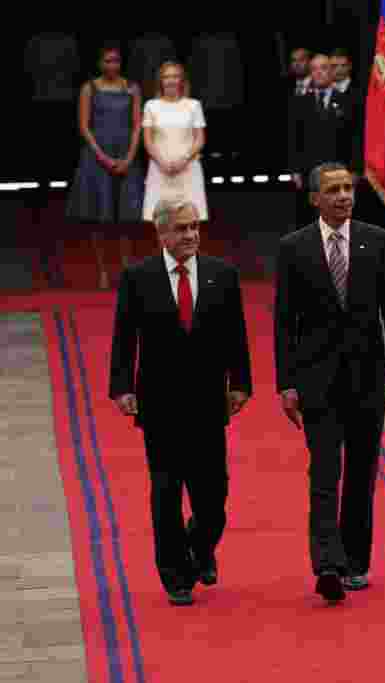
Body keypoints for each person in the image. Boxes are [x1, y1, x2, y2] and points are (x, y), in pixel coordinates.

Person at [273, 162, 385, 604]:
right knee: (325, 472)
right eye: (332, 190)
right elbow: (284, 323)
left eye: (348, 189)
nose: (343, 197)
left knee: (360, 475)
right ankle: (327, 563)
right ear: (314, 198)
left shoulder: (379, 241)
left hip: (368, 378)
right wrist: (286, 383)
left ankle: (356, 559)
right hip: (317, 381)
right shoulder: (294, 248)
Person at [108, 198, 253, 606]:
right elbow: (124, 338)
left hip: (209, 403)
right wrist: (122, 387)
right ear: (162, 234)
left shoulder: (222, 275)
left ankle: (200, 545)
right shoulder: (138, 277)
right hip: (160, 406)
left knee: (213, 498)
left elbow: (236, 336)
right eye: (182, 229)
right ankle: (175, 574)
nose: (191, 235)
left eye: (194, 227)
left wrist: (241, 383)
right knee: (166, 492)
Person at [65, 44, 145, 289]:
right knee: (99, 218)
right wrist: (103, 157)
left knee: (126, 218)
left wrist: (130, 157)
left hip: (125, 155)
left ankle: (126, 268)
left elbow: (137, 125)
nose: (112, 65)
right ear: (100, 63)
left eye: (116, 61)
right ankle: (102, 271)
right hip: (97, 155)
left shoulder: (132, 88)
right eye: (108, 61)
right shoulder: (89, 88)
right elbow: (84, 126)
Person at [288, 54, 357, 229]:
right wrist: (295, 169)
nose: (318, 73)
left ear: (331, 71)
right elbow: (294, 138)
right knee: (311, 220)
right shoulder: (300, 102)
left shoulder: (346, 100)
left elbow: (354, 137)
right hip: (309, 171)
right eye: (314, 69)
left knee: (340, 218)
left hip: (339, 171)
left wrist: (355, 169)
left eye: (324, 68)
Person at [142, 62, 209, 223]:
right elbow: (148, 141)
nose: (171, 80)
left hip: (188, 170)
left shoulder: (193, 105)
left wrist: (184, 160)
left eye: (175, 76)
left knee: (190, 222)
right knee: (160, 222)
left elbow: (200, 139)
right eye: (166, 77)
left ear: (181, 80)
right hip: (160, 170)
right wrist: (162, 162)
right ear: (160, 81)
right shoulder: (151, 106)